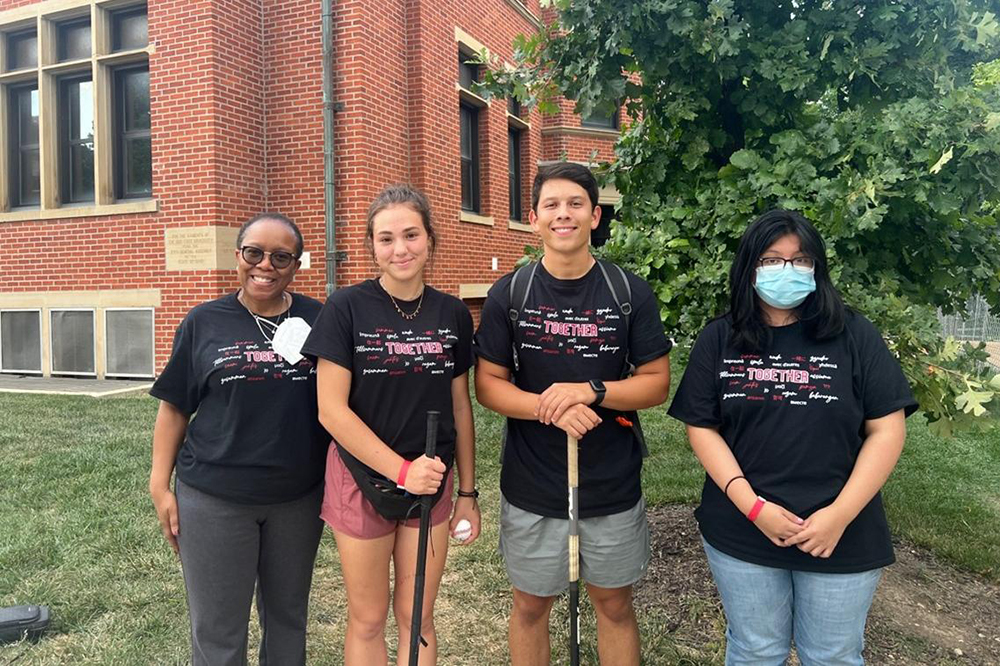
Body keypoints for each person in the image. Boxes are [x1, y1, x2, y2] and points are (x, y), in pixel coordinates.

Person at [668, 209, 918, 665]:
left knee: (833, 655)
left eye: (800, 260)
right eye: (770, 260)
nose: (786, 270)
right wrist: (754, 507)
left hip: (842, 532)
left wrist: (839, 515)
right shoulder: (719, 338)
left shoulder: (855, 335)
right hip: (743, 527)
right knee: (754, 650)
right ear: (749, 269)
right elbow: (701, 427)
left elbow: (887, 428)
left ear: (817, 269)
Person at [474, 162, 672, 666]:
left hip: (611, 479)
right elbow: (489, 386)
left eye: (575, 204)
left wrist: (592, 391)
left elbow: (656, 384)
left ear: (595, 215)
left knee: (615, 604)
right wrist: (552, 407)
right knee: (530, 605)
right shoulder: (509, 294)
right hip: (533, 480)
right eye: (552, 205)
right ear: (535, 218)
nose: (564, 214)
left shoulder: (628, 292)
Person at [301, 184, 480, 666]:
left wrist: (467, 492)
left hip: (432, 483)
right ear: (371, 246)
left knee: (417, 615)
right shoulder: (345, 308)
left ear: (430, 240)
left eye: (410, 235)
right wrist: (401, 471)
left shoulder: (453, 313)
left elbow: (460, 406)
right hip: (362, 479)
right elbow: (331, 411)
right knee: (368, 617)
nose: (400, 249)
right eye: (386, 238)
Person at [149, 213, 329, 665]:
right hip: (214, 498)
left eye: (281, 256)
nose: (265, 265)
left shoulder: (320, 319)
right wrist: (158, 484)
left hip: (298, 500)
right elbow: (174, 407)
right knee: (218, 631)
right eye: (254, 252)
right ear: (238, 256)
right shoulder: (204, 321)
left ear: (296, 264)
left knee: (288, 622)